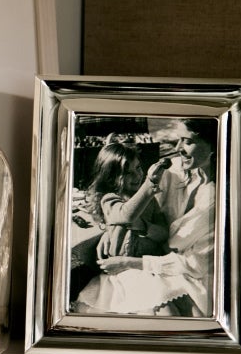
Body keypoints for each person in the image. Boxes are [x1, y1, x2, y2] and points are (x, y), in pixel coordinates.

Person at [74, 118, 217, 317]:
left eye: (188, 141)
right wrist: (113, 229)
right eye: (177, 140)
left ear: (215, 145)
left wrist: (135, 242)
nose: (178, 149)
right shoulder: (175, 170)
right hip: (148, 267)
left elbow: (192, 262)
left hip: (179, 270)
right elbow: (126, 212)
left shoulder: (221, 199)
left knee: (180, 314)